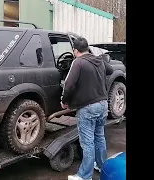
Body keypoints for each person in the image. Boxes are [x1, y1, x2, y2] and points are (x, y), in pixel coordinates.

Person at [60, 37, 114, 180]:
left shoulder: (78, 62)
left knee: (87, 142)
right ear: (88, 48)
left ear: (75, 51)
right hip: (103, 104)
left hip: (88, 107)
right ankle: (101, 166)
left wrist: (64, 101)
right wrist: (98, 57)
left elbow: (68, 84)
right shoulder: (98, 60)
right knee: (99, 137)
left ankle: (84, 175)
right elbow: (110, 70)